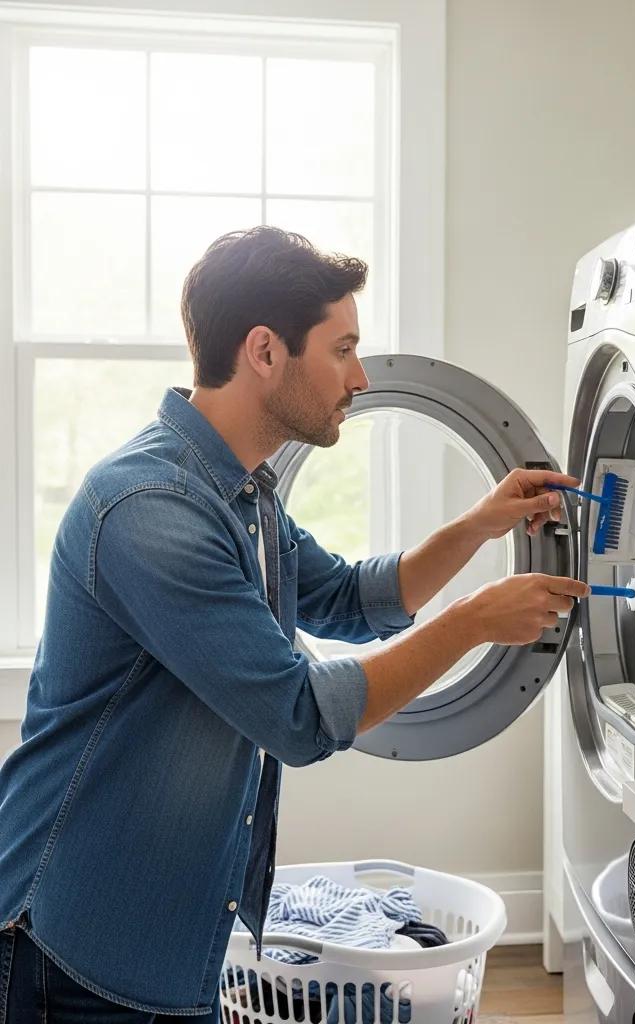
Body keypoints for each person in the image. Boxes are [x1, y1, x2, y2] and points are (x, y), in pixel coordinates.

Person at [0, 226, 589, 1021]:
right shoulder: (152, 511)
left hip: (166, 938)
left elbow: (349, 598)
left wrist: (481, 525)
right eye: (342, 350)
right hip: (76, 941)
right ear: (265, 351)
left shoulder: (243, 494)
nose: (360, 376)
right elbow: (297, 716)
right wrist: (474, 622)